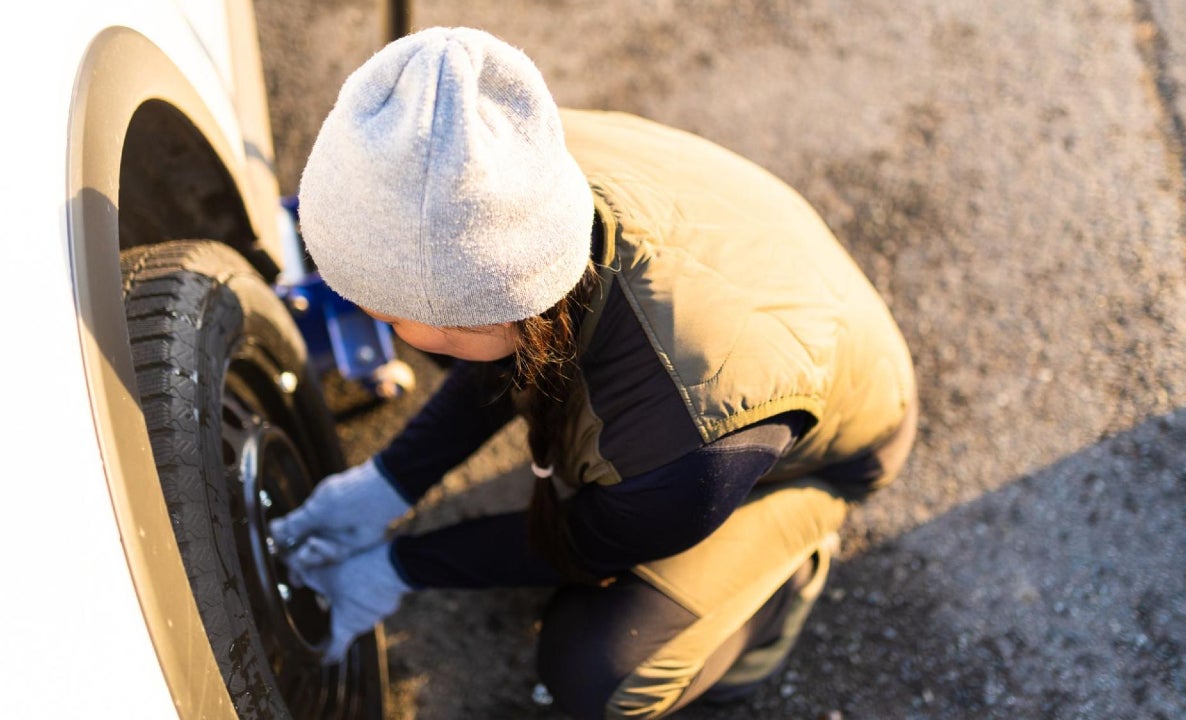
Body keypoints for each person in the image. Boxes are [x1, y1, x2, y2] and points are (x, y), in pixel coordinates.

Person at [270, 26, 917, 719]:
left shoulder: (684, 445)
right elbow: (497, 335)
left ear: (481, 312)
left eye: (384, 311)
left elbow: (577, 546)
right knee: (579, 443)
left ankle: (778, 586)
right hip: (756, 279)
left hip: (833, 434)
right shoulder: (495, 160)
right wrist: (387, 483)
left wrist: (394, 569)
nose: (371, 318)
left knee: (597, 675)